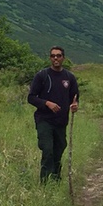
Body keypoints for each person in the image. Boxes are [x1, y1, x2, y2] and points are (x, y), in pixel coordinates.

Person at [27, 46, 80, 183]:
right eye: (52, 56)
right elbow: (31, 97)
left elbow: (74, 98)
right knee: (47, 149)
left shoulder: (69, 78)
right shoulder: (42, 75)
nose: (55, 58)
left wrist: (75, 106)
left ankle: (56, 179)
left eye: (58, 55)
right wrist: (46, 103)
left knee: (59, 150)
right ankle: (44, 182)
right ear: (50, 58)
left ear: (63, 57)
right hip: (44, 120)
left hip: (61, 121)